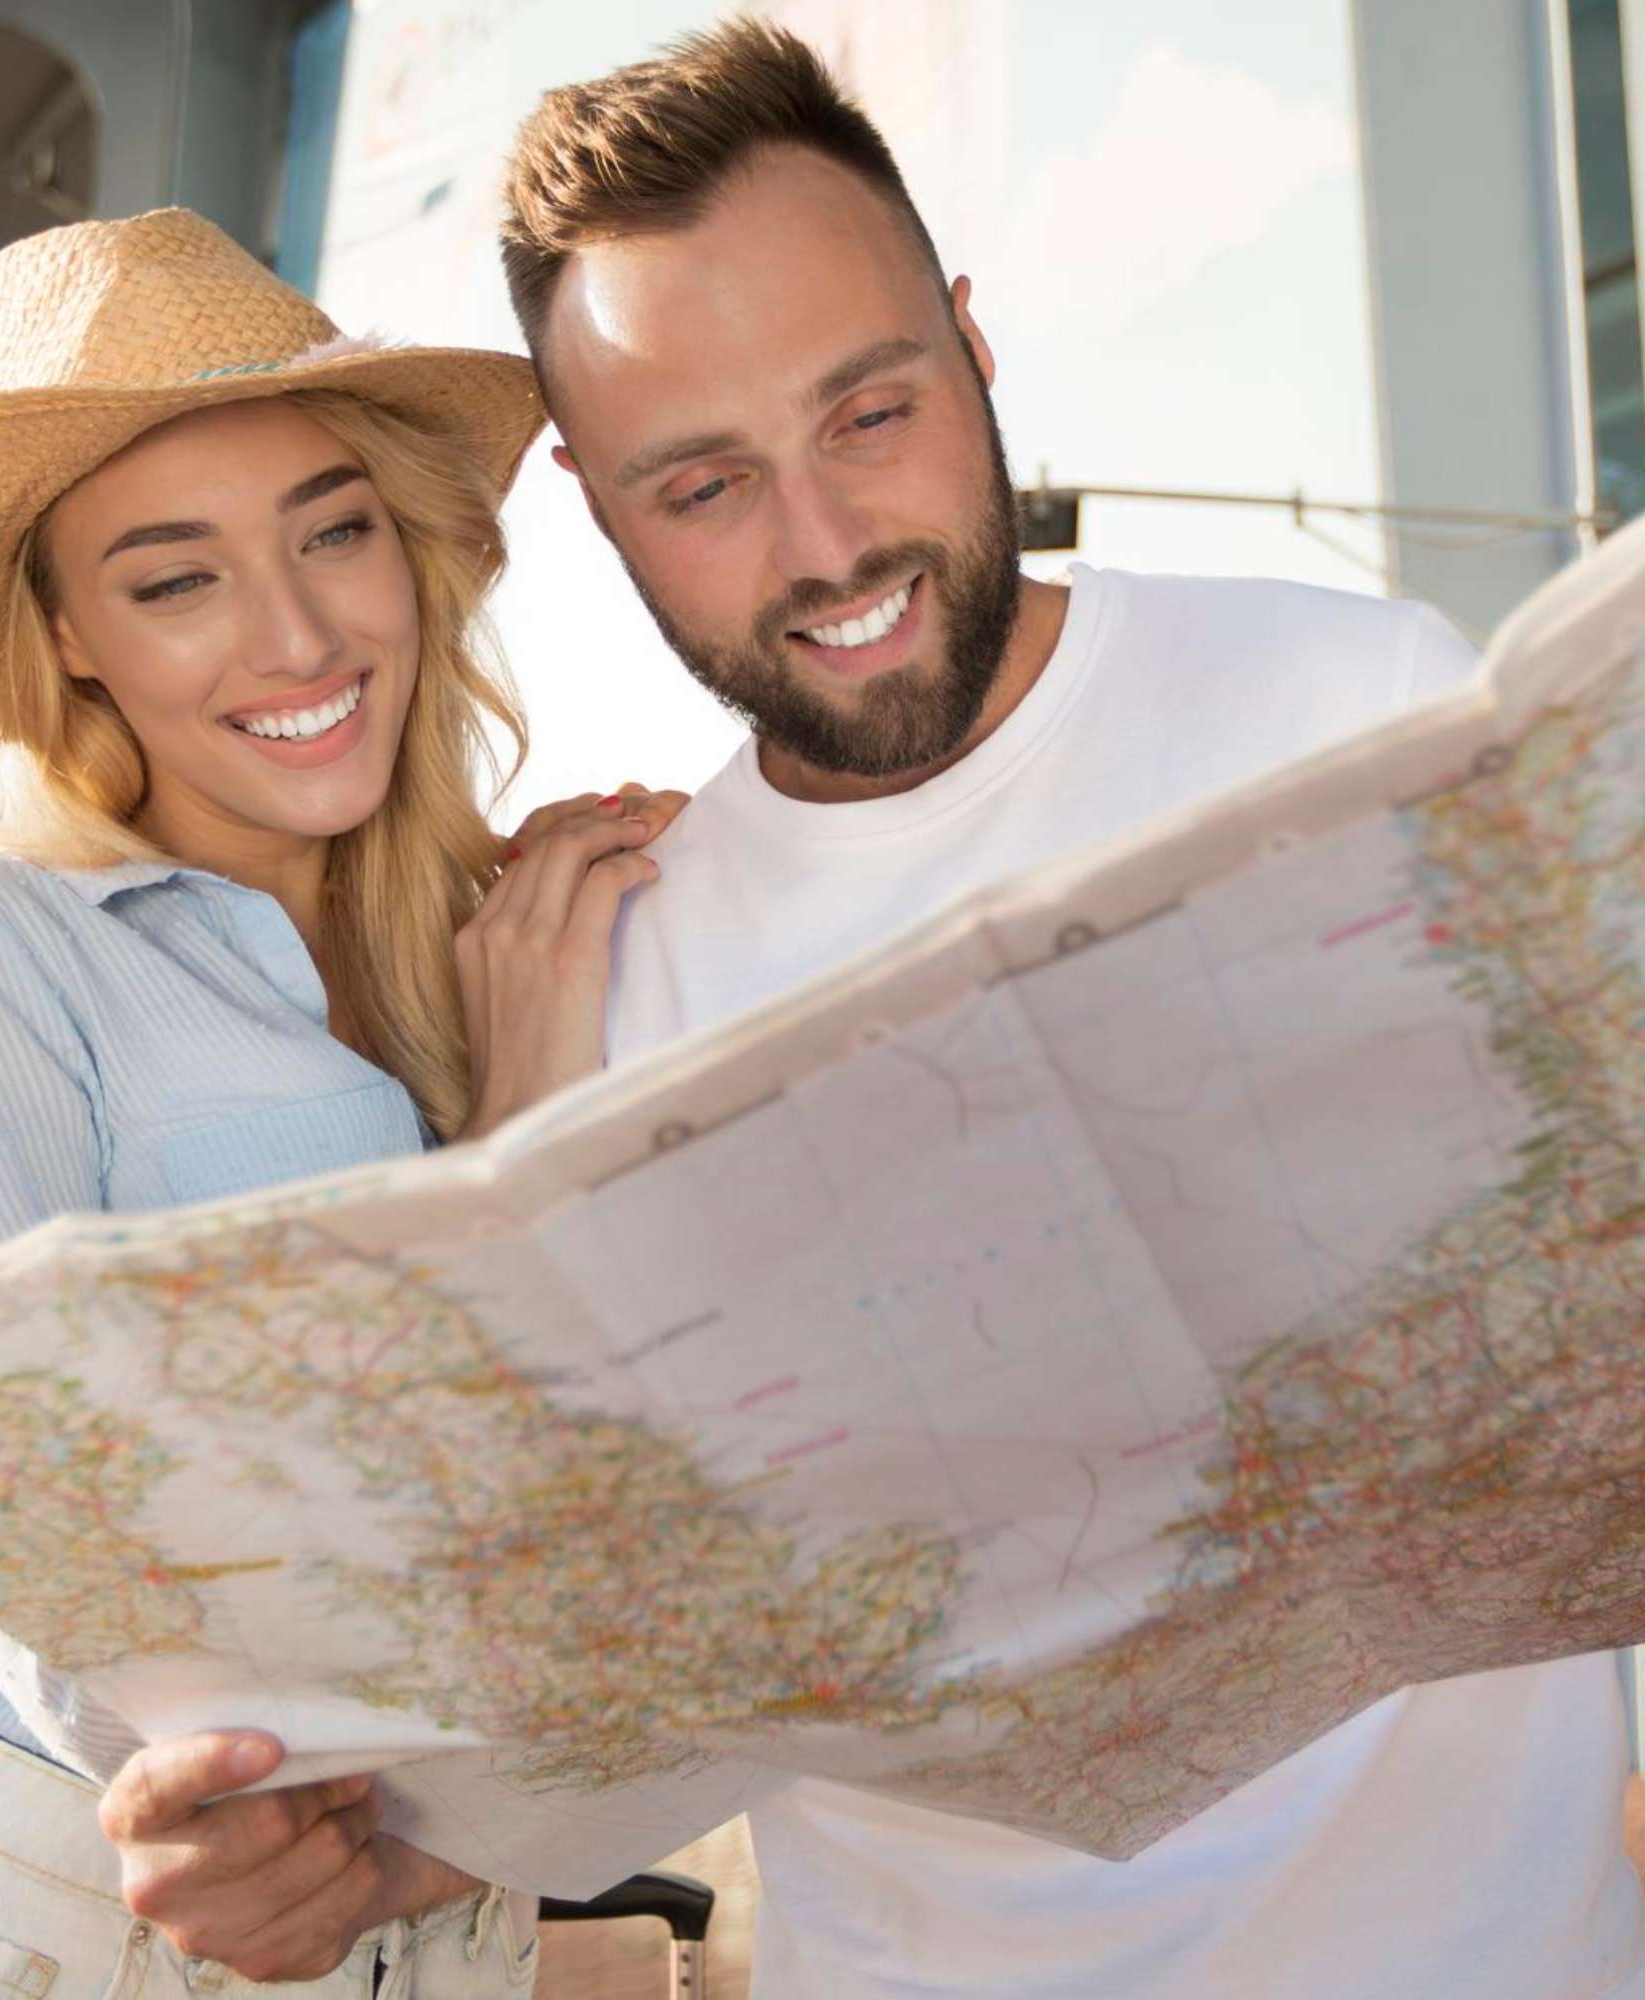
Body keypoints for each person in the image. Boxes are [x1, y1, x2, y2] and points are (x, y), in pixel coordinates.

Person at [106, 20, 1645, 2000]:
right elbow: (598, 1701)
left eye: (868, 413)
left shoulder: (1366, 711)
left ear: (973, 344)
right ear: (589, 503)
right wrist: (309, 1854)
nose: (824, 547)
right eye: (702, 483)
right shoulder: (607, 974)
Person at [0, 206, 681, 1999]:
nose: (294, 633)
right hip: (76, 1926)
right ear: (69, 635)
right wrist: (511, 1158)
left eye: (333, 531)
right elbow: (44, 1536)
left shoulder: (531, 937)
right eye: (175, 576)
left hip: (468, 1925)